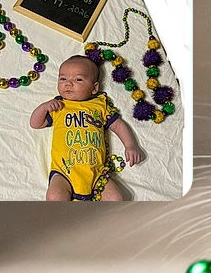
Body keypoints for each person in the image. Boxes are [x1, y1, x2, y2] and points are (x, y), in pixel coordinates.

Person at [29, 55, 142, 201]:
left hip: (97, 174)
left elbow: (119, 125)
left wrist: (130, 145)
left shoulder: (101, 106)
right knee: (54, 196)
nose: (68, 84)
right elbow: (35, 124)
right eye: (63, 79)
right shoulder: (58, 106)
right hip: (64, 172)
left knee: (116, 199)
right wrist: (43, 108)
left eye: (78, 79)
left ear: (94, 88)